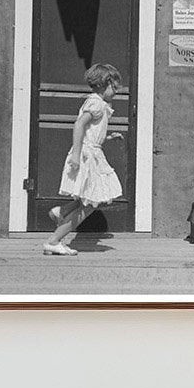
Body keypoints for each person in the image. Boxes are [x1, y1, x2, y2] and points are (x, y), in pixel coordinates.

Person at [44, 63, 124, 256]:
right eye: (114, 87)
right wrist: (77, 155)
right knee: (89, 204)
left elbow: (91, 131)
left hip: (92, 152)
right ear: (104, 84)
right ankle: (54, 241)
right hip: (87, 155)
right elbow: (79, 125)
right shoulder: (96, 103)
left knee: (87, 199)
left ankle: (62, 212)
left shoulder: (100, 104)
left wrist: (108, 137)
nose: (116, 92)